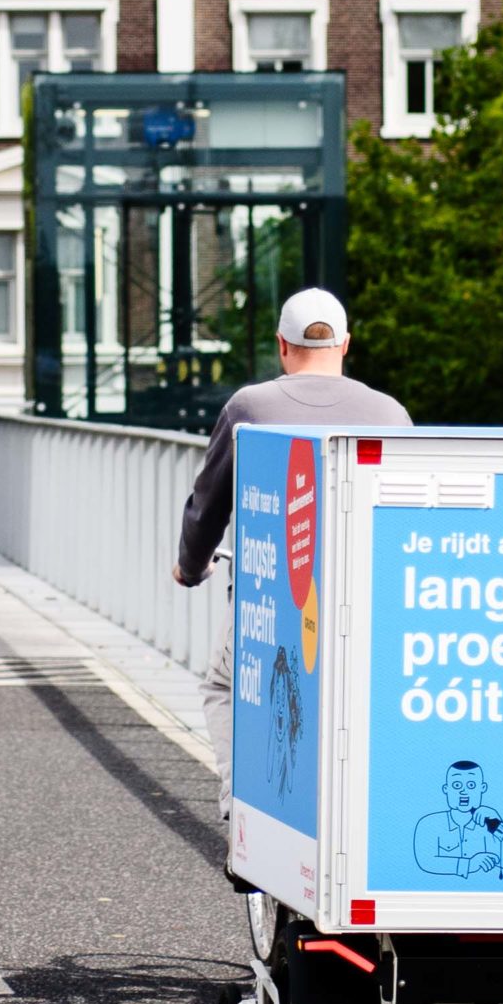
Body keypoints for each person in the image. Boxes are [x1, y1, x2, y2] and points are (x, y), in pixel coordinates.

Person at [172, 288, 411, 823]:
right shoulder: (390, 414)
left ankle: (242, 815)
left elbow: (208, 506)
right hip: (363, 602)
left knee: (223, 684)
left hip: (279, 601)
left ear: (282, 345)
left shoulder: (250, 406)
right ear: (346, 344)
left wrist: (191, 567)